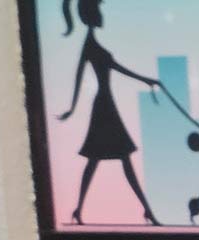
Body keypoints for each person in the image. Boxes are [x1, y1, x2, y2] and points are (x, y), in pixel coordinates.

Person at [58, 0, 161, 226]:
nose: (102, 15)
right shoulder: (90, 46)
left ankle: (80, 210)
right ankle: (146, 211)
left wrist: (147, 80)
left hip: (106, 105)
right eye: (99, 10)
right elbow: (78, 77)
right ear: (92, 15)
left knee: (102, 161)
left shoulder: (93, 44)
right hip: (104, 107)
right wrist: (72, 109)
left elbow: (118, 69)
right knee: (110, 160)